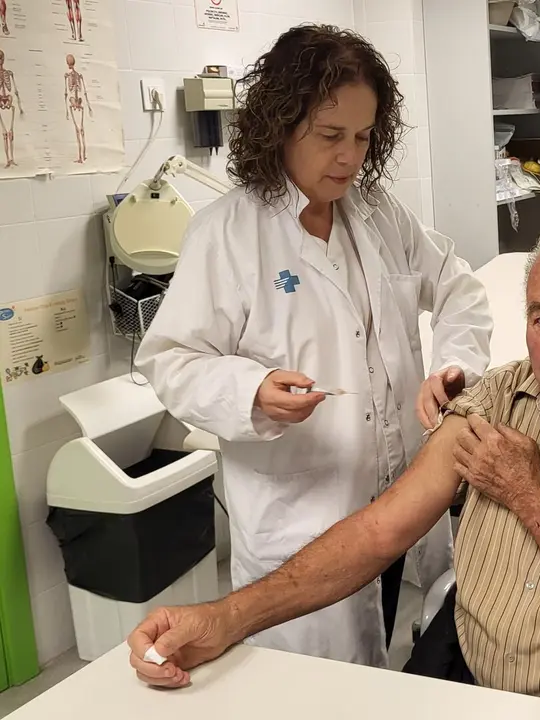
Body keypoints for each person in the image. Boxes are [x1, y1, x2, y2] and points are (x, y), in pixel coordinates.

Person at [129, 223, 540, 712]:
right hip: (471, 687)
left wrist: (528, 491)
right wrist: (224, 618)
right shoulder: (504, 397)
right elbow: (381, 531)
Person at [134, 24, 492, 669]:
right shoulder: (228, 234)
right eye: (330, 135)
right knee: (322, 690)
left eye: (363, 137)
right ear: (280, 124)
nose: (349, 157)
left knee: (409, 662)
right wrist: (252, 390)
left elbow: (459, 289)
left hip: (403, 507)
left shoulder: (379, 214)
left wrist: (453, 367)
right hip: (303, 524)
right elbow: (171, 361)